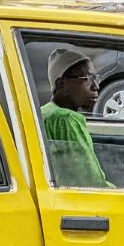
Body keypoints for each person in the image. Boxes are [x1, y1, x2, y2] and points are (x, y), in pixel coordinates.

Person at [41, 48, 111, 188]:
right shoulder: (66, 120)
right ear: (62, 84)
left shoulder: (45, 111)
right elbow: (90, 183)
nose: (96, 86)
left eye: (95, 78)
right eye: (87, 79)